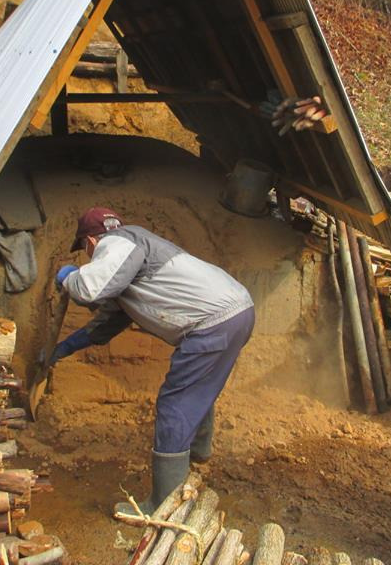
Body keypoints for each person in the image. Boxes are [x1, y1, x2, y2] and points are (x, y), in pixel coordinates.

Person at [50, 206, 255, 514]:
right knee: (197, 389)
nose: (89, 257)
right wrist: (66, 346)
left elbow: (90, 288)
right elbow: (108, 322)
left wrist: (69, 278)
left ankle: (163, 505)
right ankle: (198, 456)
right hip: (238, 310)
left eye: (85, 251)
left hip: (210, 324)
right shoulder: (133, 258)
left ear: (91, 242)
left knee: (174, 405)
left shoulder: (119, 242)